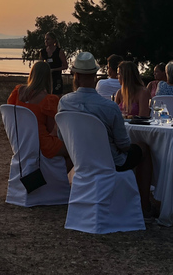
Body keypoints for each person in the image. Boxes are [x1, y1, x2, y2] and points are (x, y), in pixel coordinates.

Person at [58, 52, 154, 217]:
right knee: (144, 148)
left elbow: (62, 136)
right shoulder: (109, 107)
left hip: (80, 159)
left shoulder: (64, 102)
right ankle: (144, 204)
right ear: (95, 76)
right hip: (110, 162)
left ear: (76, 76)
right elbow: (123, 145)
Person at [7, 61, 70, 169]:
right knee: (73, 149)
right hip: (41, 144)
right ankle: (60, 179)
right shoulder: (48, 99)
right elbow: (51, 130)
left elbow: (11, 113)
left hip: (22, 141)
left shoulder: (18, 92)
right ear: (47, 77)